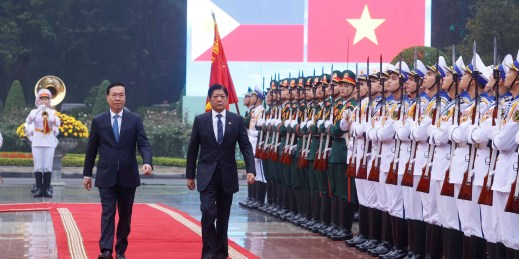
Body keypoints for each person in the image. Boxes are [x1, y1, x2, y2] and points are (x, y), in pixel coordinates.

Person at [83, 82, 153, 259]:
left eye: (121, 95)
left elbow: (143, 143)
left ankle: (121, 249)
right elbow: (92, 149)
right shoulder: (99, 121)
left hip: (128, 175)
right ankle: (105, 250)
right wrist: (87, 174)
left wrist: (147, 162)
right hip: (106, 175)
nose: (117, 98)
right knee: (108, 212)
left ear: (125, 97)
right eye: (114, 95)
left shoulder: (135, 120)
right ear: (107, 98)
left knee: (125, 215)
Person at [186, 84, 256, 259]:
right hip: (206, 174)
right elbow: (193, 148)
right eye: (215, 96)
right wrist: (190, 175)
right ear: (210, 99)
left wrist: (251, 169)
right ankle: (208, 253)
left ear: (227, 99)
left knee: (223, 217)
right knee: (208, 212)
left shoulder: (236, 120)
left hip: (227, 174)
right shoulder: (201, 120)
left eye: (222, 97)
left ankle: (221, 253)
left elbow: (245, 146)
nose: (219, 99)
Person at [26, 89, 61, 198]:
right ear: (38, 100)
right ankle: (39, 189)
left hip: (49, 140)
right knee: (38, 166)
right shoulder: (33, 111)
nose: (44, 101)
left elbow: (58, 123)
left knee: (47, 166)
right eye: (42, 99)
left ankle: (47, 189)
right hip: (37, 140)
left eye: (46, 99)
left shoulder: (53, 112)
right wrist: (38, 111)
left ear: (49, 101)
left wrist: (49, 113)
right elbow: (28, 121)